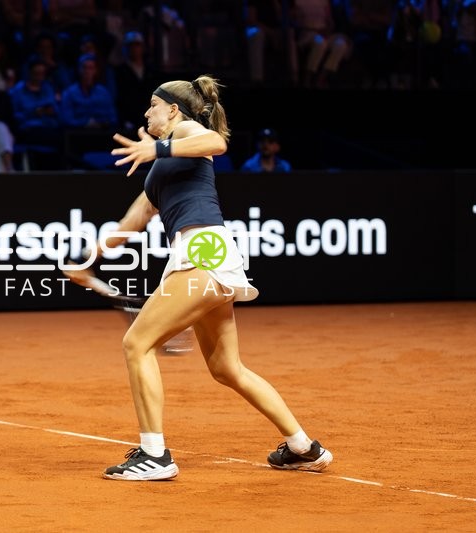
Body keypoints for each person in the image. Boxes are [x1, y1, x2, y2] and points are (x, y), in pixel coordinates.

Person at [64, 75, 332, 480]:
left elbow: (217, 143)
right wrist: (88, 259)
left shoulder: (187, 131)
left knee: (136, 344)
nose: (146, 113)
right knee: (227, 368)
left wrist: (157, 147)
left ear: (173, 110)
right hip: (210, 254)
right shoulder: (160, 170)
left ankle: (154, 456)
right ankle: (302, 447)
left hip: (202, 251)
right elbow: (131, 222)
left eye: (153, 105)